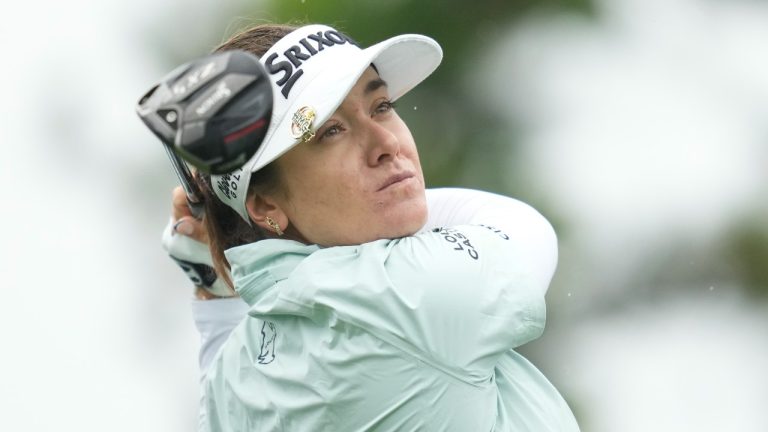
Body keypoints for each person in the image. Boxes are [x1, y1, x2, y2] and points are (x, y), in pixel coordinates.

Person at [162, 22, 580, 431]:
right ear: (265, 203)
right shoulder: (402, 296)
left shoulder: (234, 379)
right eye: (330, 131)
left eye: (381, 106)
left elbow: (220, 384)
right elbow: (525, 229)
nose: (386, 143)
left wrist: (216, 287)